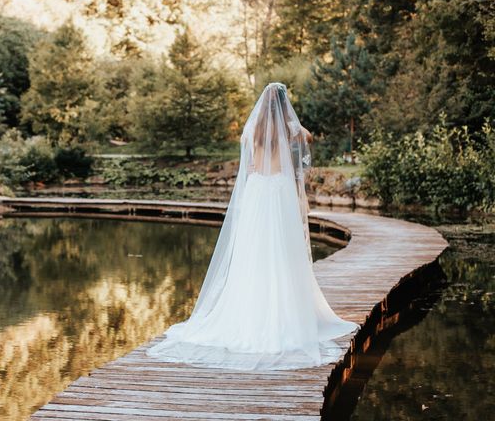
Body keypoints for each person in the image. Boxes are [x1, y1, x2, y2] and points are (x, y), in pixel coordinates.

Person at [147, 83, 359, 370]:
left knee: (253, 253)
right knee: (281, 253)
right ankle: (283, 313)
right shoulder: (290, 130)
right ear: (285, 106)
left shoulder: (251, 131)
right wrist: (290, 119)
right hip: (279, 192)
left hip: (258, 192)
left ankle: (248, 312)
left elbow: (248, 165)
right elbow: (308, 137)